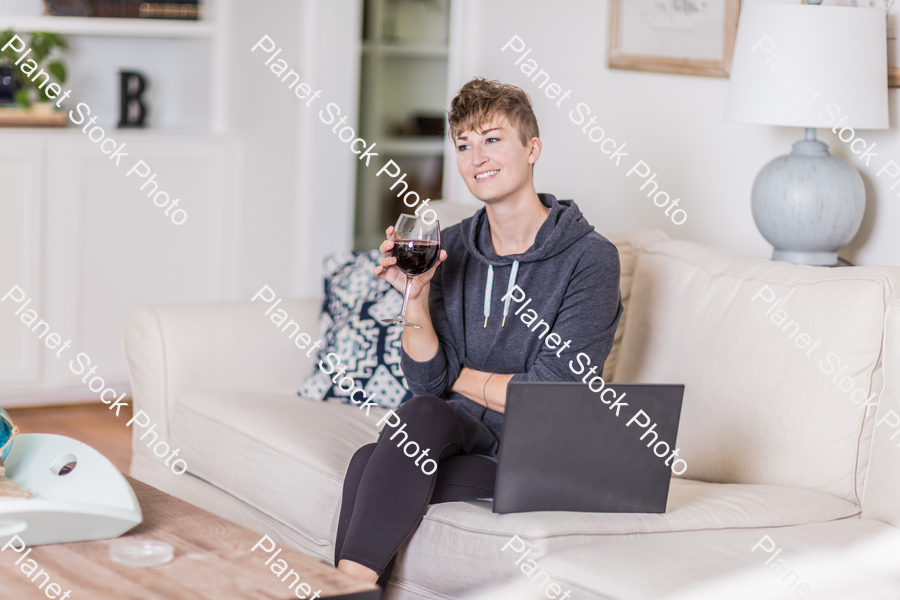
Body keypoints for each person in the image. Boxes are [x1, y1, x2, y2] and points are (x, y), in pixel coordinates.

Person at [333, 77, 622, 587]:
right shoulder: (450, 246)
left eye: (492, 139)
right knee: (417, 415)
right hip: (459, 431)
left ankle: (343, 589)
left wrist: (456, 374)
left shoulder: (590, 259)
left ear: (532, 149)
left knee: (367, 463)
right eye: (463, 145)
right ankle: (348, 590)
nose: (476, 157)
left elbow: (552, 393)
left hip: (537, 451)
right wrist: (414, 295)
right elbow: (426, 384)